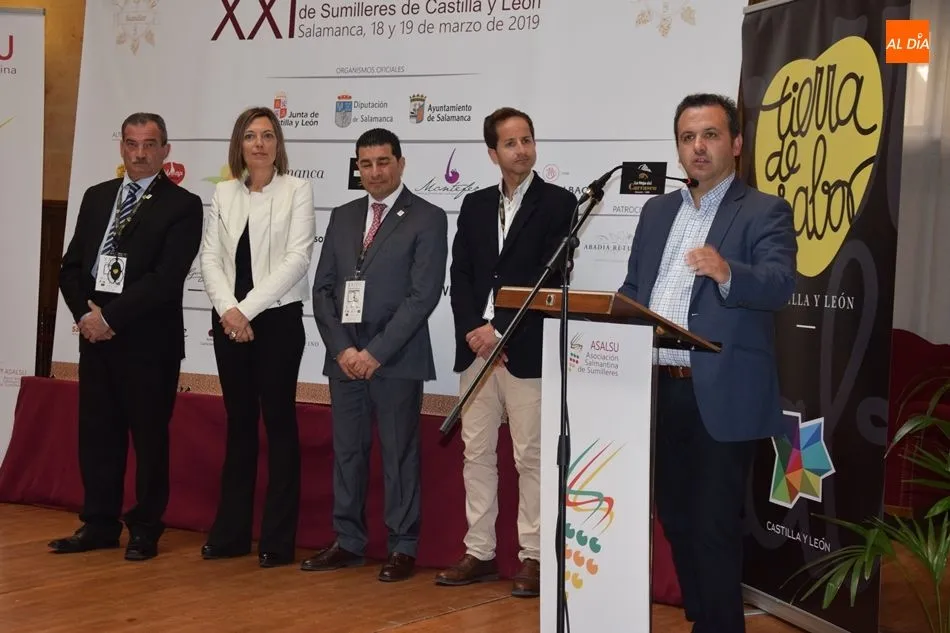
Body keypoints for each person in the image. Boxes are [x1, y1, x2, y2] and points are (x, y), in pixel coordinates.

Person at [618, 93, 796, 633]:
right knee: (674, 517)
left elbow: (779, 284)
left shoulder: (764, 210)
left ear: (736, 144)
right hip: (658, 389)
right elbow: (635, 289)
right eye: (688, 137)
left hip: (720, 392)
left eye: (710, 135)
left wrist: (726, 272)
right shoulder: (656, 211)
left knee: (714, 524)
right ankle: (704, 617)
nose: (698, 146)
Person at [435, 107, 576, 597]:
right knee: (476, 454)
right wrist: (475, 331)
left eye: (527, 140)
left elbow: (550, 278)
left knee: (530, 457)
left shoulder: (559, 203)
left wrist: (500, 332)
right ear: (493, 153)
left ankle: (534, 556)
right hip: (476, 350)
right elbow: (461, 276)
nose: (521, 150)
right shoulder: (475, 205)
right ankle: (479, 551)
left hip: (525, 351)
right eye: (511, 143)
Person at [52, 112, 203, 560]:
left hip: (148, 343)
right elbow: (71, 268)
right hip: (95, 338)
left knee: (150, 439)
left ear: (165, 151)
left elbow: (166, 278)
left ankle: (145, 528)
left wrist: (111, 318)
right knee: (98, 435)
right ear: (121, 146)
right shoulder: (97, 196)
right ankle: (99, 523)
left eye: (149, 145)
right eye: (132, 144)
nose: (139, 154)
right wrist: (86, 316)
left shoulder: (183, 205)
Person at [305, 128, 448, 582]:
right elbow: (322, 290)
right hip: (344, 360)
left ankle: (403, 545)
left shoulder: (428, 217)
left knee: (399, 454)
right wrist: (344, 350)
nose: (374, 172)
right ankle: (348, 541)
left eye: (383, 162)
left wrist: (375, 353)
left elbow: (423, 297)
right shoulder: (343, 216)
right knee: (348, 452)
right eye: (365, 164)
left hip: (396, 359)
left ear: (400, 163)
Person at [198, 106, 315, 568]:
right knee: (240, 424)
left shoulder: (297, 190)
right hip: (229, 322)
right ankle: (230, 534)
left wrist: (244, 311)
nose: (260, 144)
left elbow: (297, 259)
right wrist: (229, 311)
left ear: (278, 143)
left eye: (268, 135)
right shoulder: (224, 193)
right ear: (239, 145)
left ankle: (277, 540)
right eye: (250, 136)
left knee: (279, 425)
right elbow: (210, 258)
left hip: (277, 322)